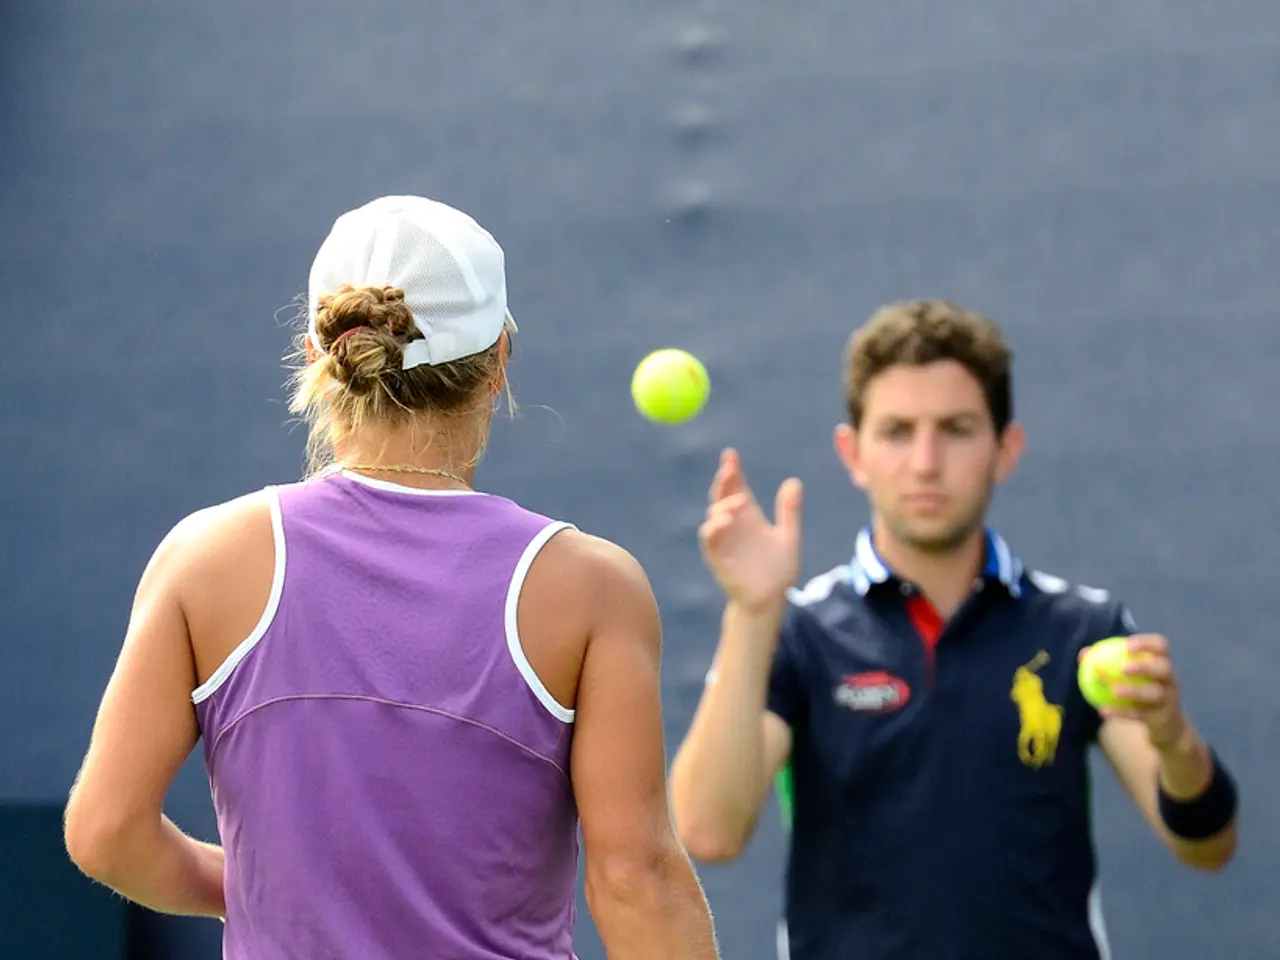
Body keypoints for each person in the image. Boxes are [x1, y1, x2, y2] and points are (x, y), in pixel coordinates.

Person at [63, 194, 720, 959]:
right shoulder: (593, 588)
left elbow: (107, 833)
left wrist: (261, 890)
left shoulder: (203, 557)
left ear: (319, 356)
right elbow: (637, 882)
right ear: (498, 364)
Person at [668, 299, 1238, 959]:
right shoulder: (799, 633)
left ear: (1005, 449)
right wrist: (753, 610)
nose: (926, 462)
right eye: (897, 431)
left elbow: (1207, 846)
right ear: (853, 453)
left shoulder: (1081, 628)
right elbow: (708, 832)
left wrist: (1172, 738)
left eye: (957, 429)